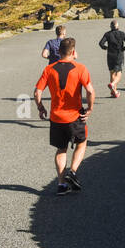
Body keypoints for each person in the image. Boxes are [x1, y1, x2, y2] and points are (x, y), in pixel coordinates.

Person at [34, 37, 95, 194]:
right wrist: (89, 108)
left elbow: (37, 91)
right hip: (75, 116)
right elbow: (90, 91)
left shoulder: (49, 69)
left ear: (59, 52)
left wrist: (40, 107)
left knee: (61, 149)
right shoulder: (80, 68)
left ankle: (61, 184)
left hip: (56, 117)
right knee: (81, 143)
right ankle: (73, 172)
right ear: (73, 52)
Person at [97, 19, 125, 98]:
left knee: (112, 73)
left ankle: (114, 92)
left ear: (110, 27)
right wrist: (124, 48)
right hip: (119, 55)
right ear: (118, 26)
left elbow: (101, 43)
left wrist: (105, 47)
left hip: (110, 55)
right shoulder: (122, 34)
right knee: (119, 73)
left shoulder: (107, 34)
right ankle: (112, 85)